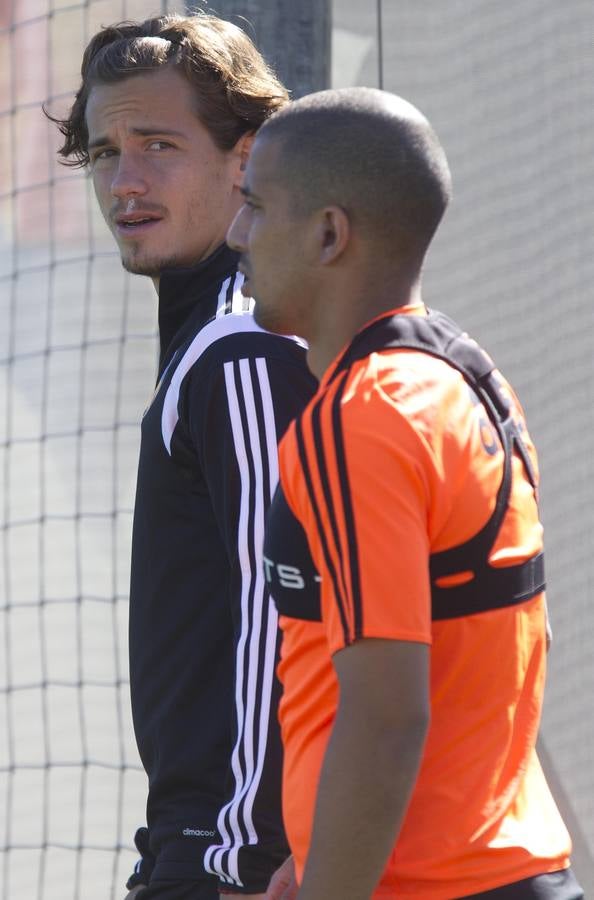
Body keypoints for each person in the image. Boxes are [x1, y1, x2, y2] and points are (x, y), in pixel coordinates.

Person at [226, 87, 584, 898]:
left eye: (254, 206)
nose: (235, 234)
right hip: (509, 872)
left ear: (328, 234)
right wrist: (317, 852)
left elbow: (386, 718)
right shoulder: (464, 373)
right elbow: (523, 640)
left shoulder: (357, 417)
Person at [49, 13, 317, 900]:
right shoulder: (217, 336)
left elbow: (272, 618)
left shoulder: (240, 345)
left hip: (234, 856)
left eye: (158, 144)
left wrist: (230, 853)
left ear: (247, 159)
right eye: (102, 152)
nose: (125, 180)